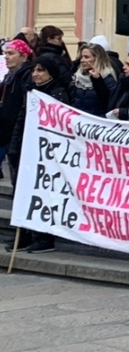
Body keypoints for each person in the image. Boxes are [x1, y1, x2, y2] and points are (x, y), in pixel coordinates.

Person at [18, 55, 74, 253]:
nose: (35, 74)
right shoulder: (32, 92)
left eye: (40, 70)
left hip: (46, 154)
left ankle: (44, 238)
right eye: (34, 70)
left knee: (43, 195)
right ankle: (27, 235)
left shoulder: (57, 94)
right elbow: (22, 120)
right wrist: (16, 146)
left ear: (50, 72)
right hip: (26, 149)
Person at [0, 39, 36, 172]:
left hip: (16, 133)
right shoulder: (9, 76)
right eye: (6, 53)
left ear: (24, 56)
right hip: (4, 131)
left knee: (17, 172)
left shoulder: (28, 76)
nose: (6, 57)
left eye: (11, 53)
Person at [69, 43, 117, 115]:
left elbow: (109, 102)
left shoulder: (107, 78)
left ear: (97, 59)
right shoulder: (77, 77)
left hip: (97, 122)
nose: (82, 60)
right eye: (81, 57)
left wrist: (98, 80)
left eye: (86, 57)